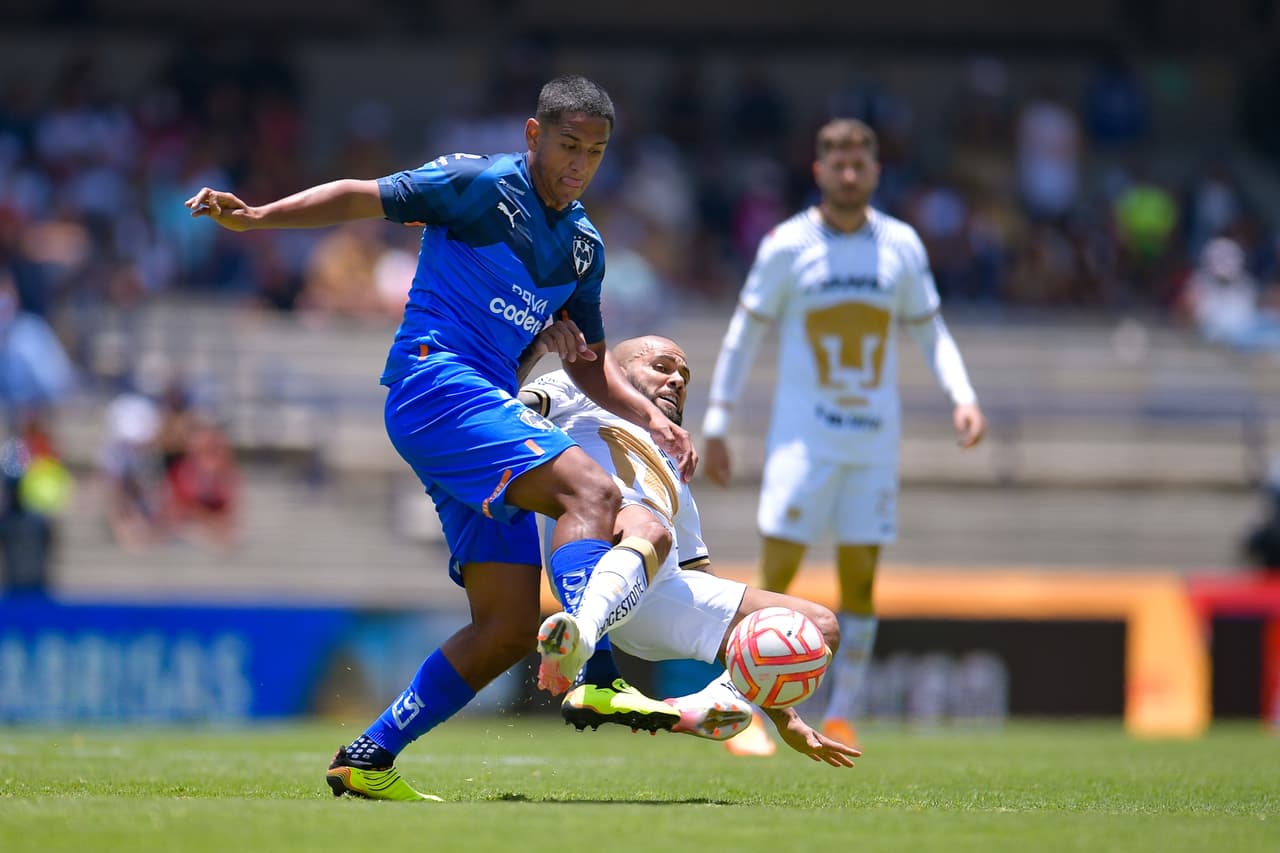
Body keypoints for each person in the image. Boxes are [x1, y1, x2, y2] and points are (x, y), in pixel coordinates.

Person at [186, 75, 695, 802]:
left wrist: (653, 416)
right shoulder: (478, 184)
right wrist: (260, 215)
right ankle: (597, 672)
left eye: (595, 150)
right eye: (567, 145)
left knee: (510, 627)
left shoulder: (583, 247)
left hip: (479, 408)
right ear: (532, 135)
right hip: (435, 383)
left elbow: (590, 365)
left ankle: (366, 756)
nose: (579, 162)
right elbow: (362, 194)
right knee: (592, 489)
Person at [700, 118, 986, 753]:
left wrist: (962, 397)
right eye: (839, 164)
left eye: (861, 164)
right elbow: (744, 334)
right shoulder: (786, 244)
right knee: (776, 573)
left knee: (860, 580)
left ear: (876, 171)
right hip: (803, 441)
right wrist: (718, 418)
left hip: (872, 444)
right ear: (820, 171)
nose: (850, 174)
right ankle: (739, 711)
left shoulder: (902, 246)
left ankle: (844, 712)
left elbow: (929, 329)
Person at [519, 332, 860, 766]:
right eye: (662, 367)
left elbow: (702, 584)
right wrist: (540, 347)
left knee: (822, 625)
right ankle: (583, 640)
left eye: (684, 376)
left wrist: (782, 713)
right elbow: (502, 399)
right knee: (650, 527)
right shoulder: (581, 388)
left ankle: (714, 700)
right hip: (592, 557)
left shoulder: (673, 466)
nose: (677, 380)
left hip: (657, 593)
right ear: (616, 373)